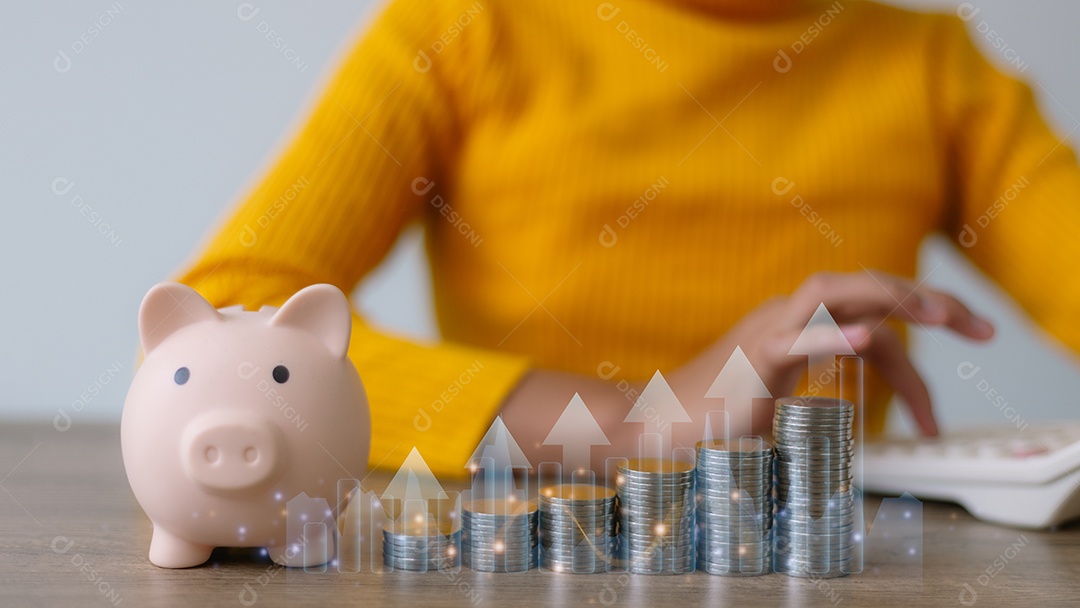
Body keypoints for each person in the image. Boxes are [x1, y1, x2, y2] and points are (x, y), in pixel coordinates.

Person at [175, 0, 1080, 477]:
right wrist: (632, 424)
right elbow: (219, 330)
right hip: (520, 558)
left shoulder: (933, 67)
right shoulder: (466, 26)